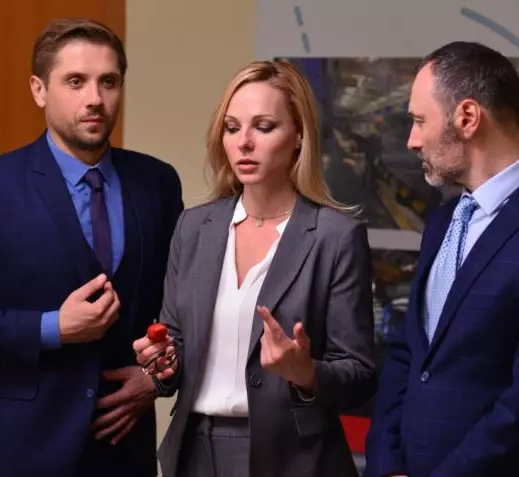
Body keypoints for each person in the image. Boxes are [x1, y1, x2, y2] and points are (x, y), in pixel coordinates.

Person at [0, 18, 183, 477]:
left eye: (108, 82)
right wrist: (53, 327)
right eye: (75, 82)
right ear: (39, 90)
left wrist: (155, 380)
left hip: (124, 450)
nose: (95, 98)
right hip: (19, 450)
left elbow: (183, 307)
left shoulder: (156, 182)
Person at [133, 59, 377, 477]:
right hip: (194, 453)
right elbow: (176, 347)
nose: (244, 142)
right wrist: (161, 361)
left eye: (264, 127)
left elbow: (360, 376)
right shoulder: (193, 227)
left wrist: (306, 373)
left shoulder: (335, 237)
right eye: (232, 128)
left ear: (299, 137)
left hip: (294, 459)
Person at [364, 41, 519, 477]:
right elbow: (407, 353)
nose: (411, 140)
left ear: (467, 117)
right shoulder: (443, 221)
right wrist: (388, 465)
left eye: (420, 121)